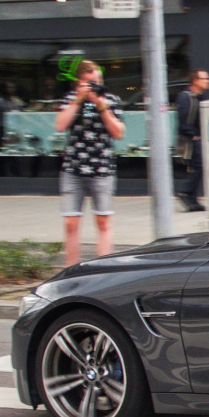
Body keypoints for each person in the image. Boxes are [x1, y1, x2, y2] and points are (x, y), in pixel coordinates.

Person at [54, 61, 125, 266]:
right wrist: (78, 100)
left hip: (102, 168)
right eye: (90, 83)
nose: (95, 86)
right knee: (70, 223)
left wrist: (100, 104)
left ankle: (102, 268)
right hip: (73, 168)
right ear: (79, 82)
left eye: (98, 82)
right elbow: (60, 125)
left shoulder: (110, 100)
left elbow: (118, 132)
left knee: (103, 221)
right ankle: (71, 269)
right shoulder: (70, 99)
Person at [176, 69, 209, 212]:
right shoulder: (186, 97)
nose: (208, 81)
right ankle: (185, 192)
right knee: (198, 167)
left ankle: (192, 199)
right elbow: (183, 120)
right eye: (205, 79)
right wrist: (193, 136)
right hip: (192, 140)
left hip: (197, 138)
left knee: (199, 168)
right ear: (195, 81)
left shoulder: (197, 97)